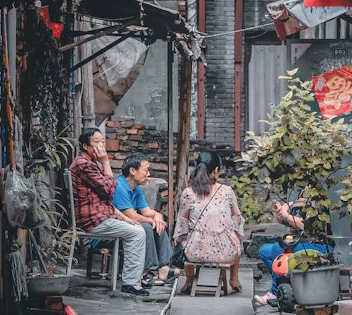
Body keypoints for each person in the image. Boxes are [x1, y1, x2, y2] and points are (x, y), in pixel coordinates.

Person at [69, 126, 149, 299]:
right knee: (138, 233)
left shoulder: (90, 163)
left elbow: (105, 201)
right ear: (85, 146)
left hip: (101, 215)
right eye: (96, 142)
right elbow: (109, 190)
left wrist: (124, 218)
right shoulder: (84, 165)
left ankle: (133, 281)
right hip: (92, 221)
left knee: (135, 227)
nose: (101, 146)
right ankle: (131, 283)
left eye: (103, 142)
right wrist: (106, 162)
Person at [174, 150, 244, 294]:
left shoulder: (188, 192)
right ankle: (234, 279)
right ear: (216, 170)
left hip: (195, 252)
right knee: (235, 238)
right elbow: (237, 218)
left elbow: (182, 223)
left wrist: (180, 239)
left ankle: (189, 280)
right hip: (226, 253)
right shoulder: (227, 191)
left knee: (185, 239)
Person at [113, 152, 175, 286]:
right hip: (115, 228)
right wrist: (153, 220)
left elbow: (146, 211)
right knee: (147, 226)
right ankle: (145, 272)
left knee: (159, 223)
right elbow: (131, 216)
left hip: (130, 226)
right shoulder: (119, 187)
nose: (148, 174)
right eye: (146, 170)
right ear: (133, 171)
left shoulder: (136, 189)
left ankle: (164, 267)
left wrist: (157, 216)